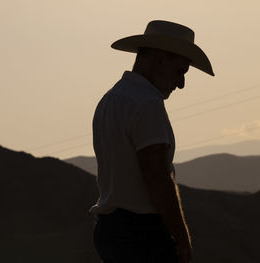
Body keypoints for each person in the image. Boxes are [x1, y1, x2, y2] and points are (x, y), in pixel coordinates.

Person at [90, 20, 215, 263]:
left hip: (110, 231)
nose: (181, 84)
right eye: (180, 71)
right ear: (159, 60)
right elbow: (157, 176)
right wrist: (181, 238)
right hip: (142, 235)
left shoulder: (110, 100)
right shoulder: (147, 104)